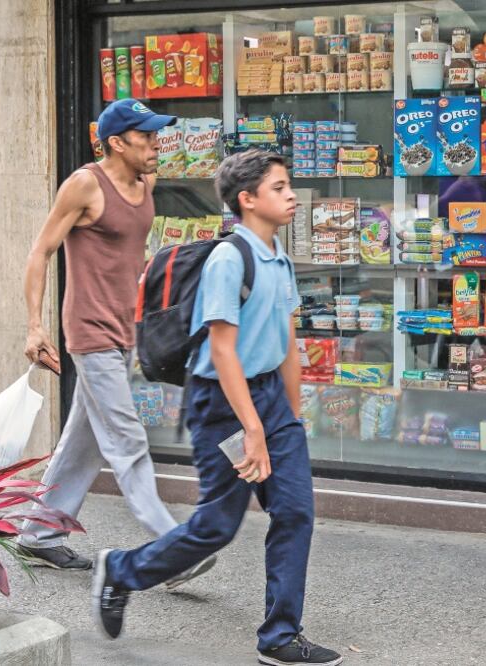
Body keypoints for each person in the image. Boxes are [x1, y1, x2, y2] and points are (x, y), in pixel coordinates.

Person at [91, 150, 342, 666]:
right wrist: (252, 429)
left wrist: (289, 420)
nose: (291, 194)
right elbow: (223, 350)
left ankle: (279, 637)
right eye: (278, 187)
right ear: (247, 200)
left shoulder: (280, 257)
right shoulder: (230, 260)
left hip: (269, 398)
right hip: (224, 403)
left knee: (295, 512)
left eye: (288, 185)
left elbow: (288, 343)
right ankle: (121, 570)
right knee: (216, 526)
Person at [20, 99, 214, 590]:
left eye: (156, 135)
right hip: (89, 332)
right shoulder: (85, 185)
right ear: (116, 142)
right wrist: (33, 326)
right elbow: (41, 251)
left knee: (84, 436)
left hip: (125, 329)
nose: (156, 144)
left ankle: (39, 532)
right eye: (145, 136)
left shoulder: (145, 184)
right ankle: (173, 550)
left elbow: (131, 253)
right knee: (126, 441)